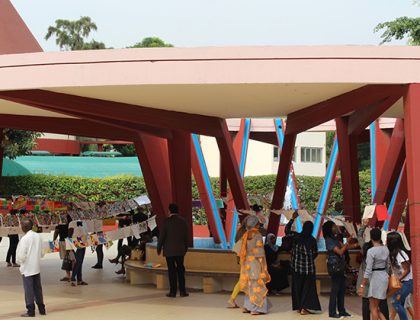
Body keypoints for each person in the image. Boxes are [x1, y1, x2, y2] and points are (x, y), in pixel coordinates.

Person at [356, 219, 389, 320]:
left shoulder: (367, 249)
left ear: (371, 237)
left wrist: (364, 225)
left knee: (370, 305)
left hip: (369, 278)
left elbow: (359, 237)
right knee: (382, 302)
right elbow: (387, 265)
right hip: (382, 277)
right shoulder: (385, 249)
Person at [239, 215, 270, 315]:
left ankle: (247, 306)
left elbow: (242, 251)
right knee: (257, 285)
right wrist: (263, 266)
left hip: (247, 263)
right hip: (255, 263)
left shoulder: (246, 234)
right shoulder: (257, 235)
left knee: (250, 285)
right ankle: (256, 308)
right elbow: (259, 252)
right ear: (256, 224)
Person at [157, 203, 189, 298]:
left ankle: (173, 292)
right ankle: (183, 291)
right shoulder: (183, 221)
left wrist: (159, 248)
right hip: (180, 250)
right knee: (180, 269)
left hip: (169, 251)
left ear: (169, 211)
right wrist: (185, 248)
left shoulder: (166, 221)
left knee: (171, 271)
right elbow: (186, 236)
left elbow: (162, 236)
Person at [323, 220, 354, 318]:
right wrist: (347, 243)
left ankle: (342, 310)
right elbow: (340, 252)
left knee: (341, 289)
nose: (337, 228)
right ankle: (332, 312)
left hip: (340, 266)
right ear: (329, 229)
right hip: (335, 267)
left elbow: (345, 247)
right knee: (335, 289)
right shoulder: (329, 240)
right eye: (334, 226)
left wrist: (357, 244)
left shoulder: (335, 239)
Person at [16, 219, 46, 317]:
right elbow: (42, 253)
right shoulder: (38, 236)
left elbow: (21, 256)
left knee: (29, 289)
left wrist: (20, 263)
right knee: (38, 288)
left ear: (25, 227)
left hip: (27, 268)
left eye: (22, 225)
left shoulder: (24, 239)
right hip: (36, 266)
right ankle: (42, 309)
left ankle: (31, 311)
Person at [291, 221, 321, 315]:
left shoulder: (297, 237)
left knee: (298, 287)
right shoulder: (312, 240)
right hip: (309, 268)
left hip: (296, 268)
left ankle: (299, 307)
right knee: (307, 288)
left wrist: (292, 219)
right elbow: (315, 253)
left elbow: (287, 230)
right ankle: (304, 308)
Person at [387, 232, 413, 320]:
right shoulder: (393, 254)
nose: (386, 242)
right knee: (399, 303)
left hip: (407, 282)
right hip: (401, 282)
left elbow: (407, 269)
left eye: (387, 240)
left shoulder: (401, 254)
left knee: (396, 302)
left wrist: (398, 279)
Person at [53, 214, 75, 281]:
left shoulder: (60, 220)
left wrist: (54, 240)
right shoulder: (71, 219)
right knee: (72, 258)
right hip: (70, 241)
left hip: (63, 241)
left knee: (67, 258)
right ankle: (72, 275)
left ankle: (69, 275)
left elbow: (56, 231)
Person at [69, 221, 88, 287]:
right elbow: (69, 235)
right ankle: (73, 279)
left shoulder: (84, 222)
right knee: (77, 262)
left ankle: (79, 280)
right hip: (77, 242)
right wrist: (70, 248)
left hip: (84, 243)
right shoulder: (72, 223)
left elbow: (85, 233)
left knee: (80, 262)